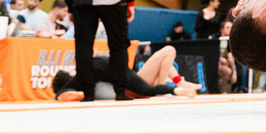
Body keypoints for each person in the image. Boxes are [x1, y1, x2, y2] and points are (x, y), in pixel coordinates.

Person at [53, 45, 200, 101]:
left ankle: (176, 84)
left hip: (128, 76)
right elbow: (63, 93)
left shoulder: (83, 76)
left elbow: (64, 93)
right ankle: (172, 85)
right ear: (69, 76)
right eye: (69, 70)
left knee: (168, 53)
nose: (73, 68)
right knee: (169, 51)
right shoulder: (79, 77)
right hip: (128, 80)